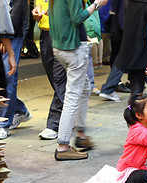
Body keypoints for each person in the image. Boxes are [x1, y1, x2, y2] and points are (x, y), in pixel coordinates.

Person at [49, 0, 108, 161]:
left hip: (62, 47)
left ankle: (80, 134)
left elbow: (63, 18)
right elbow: (77, 17)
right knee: (73, 96)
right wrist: (96, 5)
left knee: (84, 89)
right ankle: (62, 145)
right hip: (73, 49)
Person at [0, 0, 32, 140]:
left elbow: (18, 10)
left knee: (7, 76)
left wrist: (4, 37)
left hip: (11, 31)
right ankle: (19, 109)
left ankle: (3, 123)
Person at [32, 0, 67, 140]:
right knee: (54, 77)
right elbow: (40, 2)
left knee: (60, 78)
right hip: (46, 33)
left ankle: (54, 123)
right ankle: (68, 109)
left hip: (64, 33)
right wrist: (38, 9)